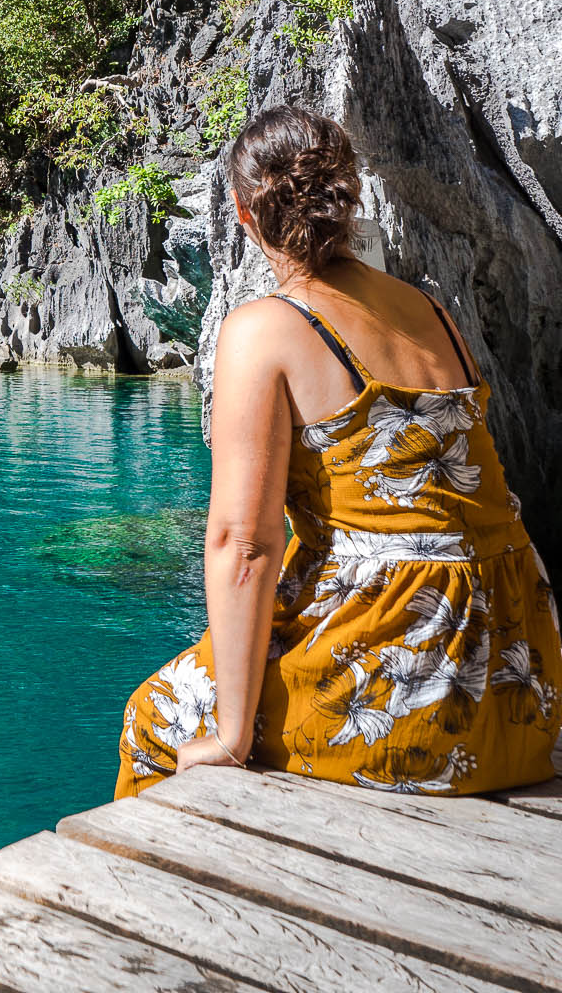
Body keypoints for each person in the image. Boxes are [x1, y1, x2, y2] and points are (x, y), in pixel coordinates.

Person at [117, 104, 562, 797]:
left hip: (415, 674)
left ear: (242, 213)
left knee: (153, 719)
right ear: (349, 198)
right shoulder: (430, 311)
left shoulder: (265, 330)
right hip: (524, 668)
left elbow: (244, 543)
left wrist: (233, 734)